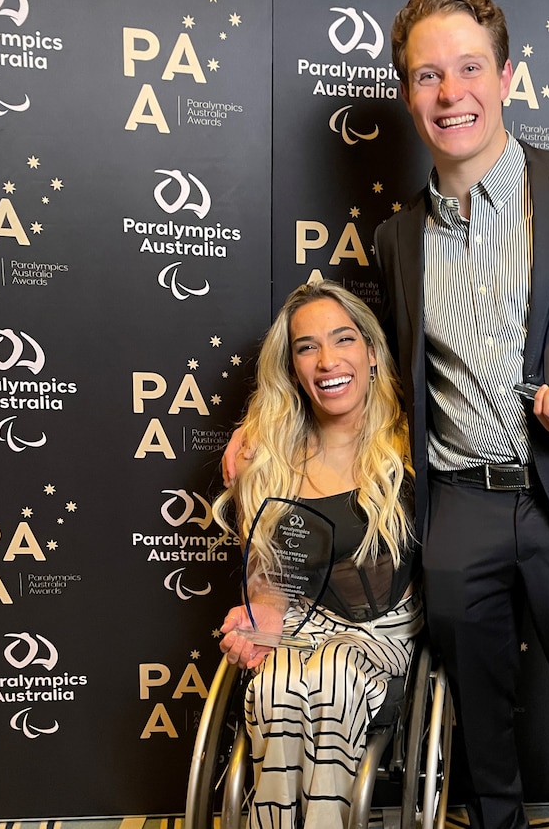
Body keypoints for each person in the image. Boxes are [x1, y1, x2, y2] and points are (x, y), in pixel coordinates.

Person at [226, 0, 549, 829]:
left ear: (506, 77)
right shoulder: (399, 239)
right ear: (407, 96)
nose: (450, 93)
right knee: (482, 744)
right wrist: (262, 427)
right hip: (461, 510)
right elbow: (382, 380)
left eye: (469, 68)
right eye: (428, 76)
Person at [215, 280, 422, 829]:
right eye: (307, 347)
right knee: (275, 686)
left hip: (384, 632)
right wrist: (259, 616)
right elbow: (270, 584)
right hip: (301, 630)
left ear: (372, 354)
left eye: (343, 339)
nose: (327, 359)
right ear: (292, 367)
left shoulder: (415, 442)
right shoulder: (270, 458)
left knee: (331, 677)